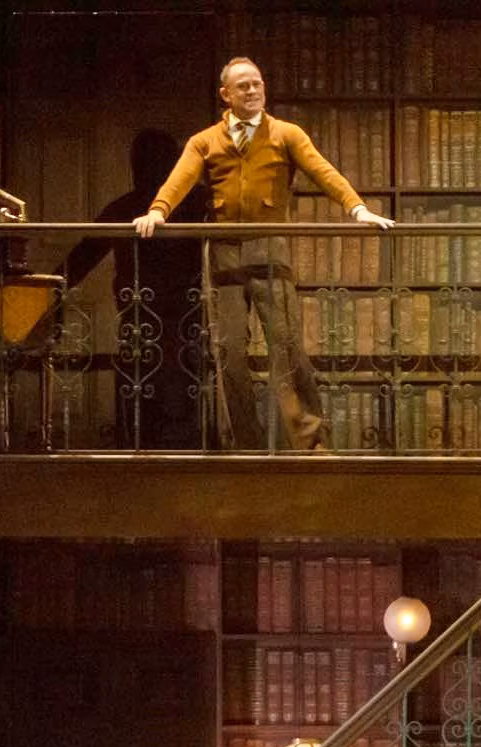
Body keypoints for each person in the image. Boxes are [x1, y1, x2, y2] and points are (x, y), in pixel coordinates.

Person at [133, 56, 394, 451]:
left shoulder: (286, 133)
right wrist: (158, 211)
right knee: (229, 352)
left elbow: (322, 171)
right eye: (243, 86)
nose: (252, 90)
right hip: (224, 250)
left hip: (269, 246)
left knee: (285, 345)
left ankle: (309, 442)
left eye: (257, 83)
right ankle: (245, 445)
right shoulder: (205, 140)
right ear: (226, 94)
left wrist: (357, 208)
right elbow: (180, 178)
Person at [63, 128, 207, 449]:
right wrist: (50, 286)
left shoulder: (128, 207)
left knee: (153, 383)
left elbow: (82, 257)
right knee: (162, 383)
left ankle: (142, 443)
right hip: (165, 314)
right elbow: (83, 256)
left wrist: (51, 285)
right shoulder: (195, 201)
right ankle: (153, 442)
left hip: (166, 313)